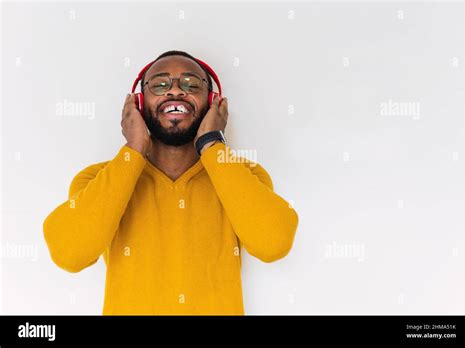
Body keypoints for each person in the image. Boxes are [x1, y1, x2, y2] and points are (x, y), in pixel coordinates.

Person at [43, 50, 299, 315]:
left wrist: (212, 143)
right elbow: (70, 254)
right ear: (139, 103)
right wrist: (134, 149)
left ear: (213, 103)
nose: (175, 91)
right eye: (160, 84)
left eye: (191, 84)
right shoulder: (98, 179)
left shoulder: (245, 175)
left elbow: (274, 244)